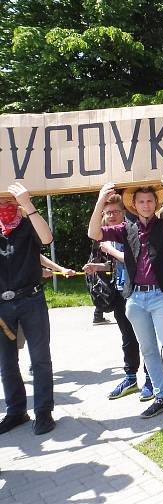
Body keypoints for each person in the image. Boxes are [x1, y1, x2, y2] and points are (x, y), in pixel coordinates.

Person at [88, 175, 163, 419]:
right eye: (141, 201)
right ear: (134, 204)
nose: (146, 205)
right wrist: (100, 201)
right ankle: (161, 396)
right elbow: (94, 233)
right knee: (149, 351)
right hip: (135, 298)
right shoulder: (126, 228)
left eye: (150, 201)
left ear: (156, 204)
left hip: (160, 296)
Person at [83, 193, 154, 401]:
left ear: (124, 212)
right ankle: (131, 378)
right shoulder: (109, 235)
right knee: (128, 339)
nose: (111, 216)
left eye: (115, 212)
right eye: (107, 213)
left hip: (139, 292)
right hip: (121, 291)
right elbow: (115, 264)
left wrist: (110, 251)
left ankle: (151, 379)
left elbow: (135, 260)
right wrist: (98, 266)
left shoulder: (133, 230)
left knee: (146, 339)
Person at [0, 182, 56, 435]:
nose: (6, 208)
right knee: (6, 362)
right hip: (2, 305)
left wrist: (28, 204)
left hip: (31, 299)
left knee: (40, 358)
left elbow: (47, 238)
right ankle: (16, 411)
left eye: (10, 203)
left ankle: (43, 412)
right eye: (1, 204)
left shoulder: (27, 225)